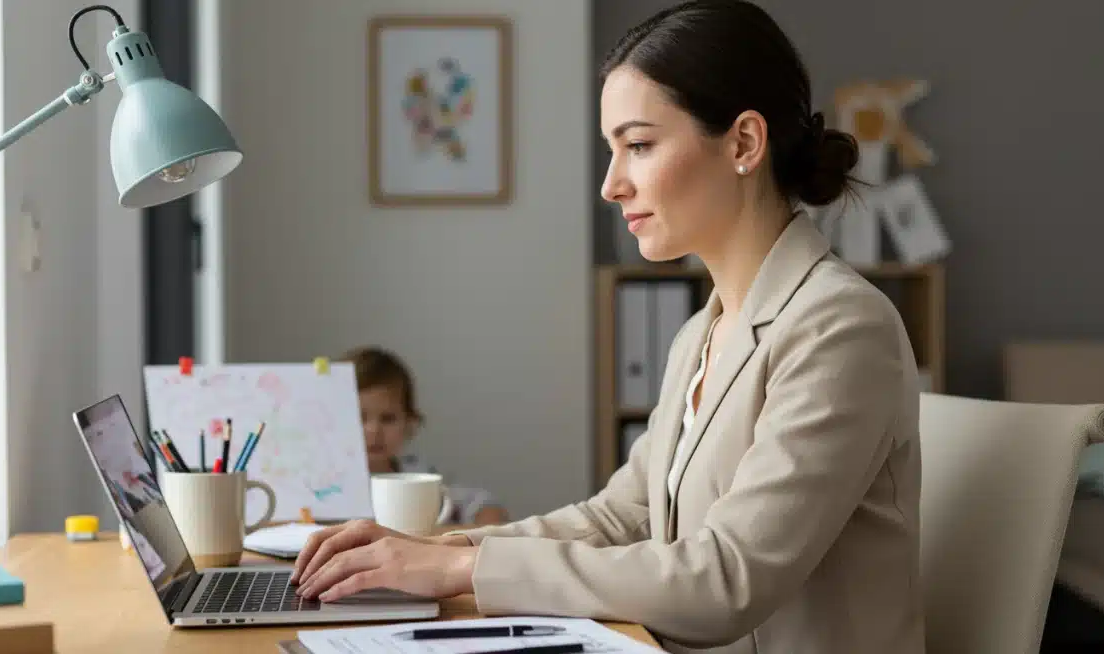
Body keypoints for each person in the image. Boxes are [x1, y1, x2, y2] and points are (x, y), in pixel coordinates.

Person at [291, 2, 925, 652]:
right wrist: (439, 550)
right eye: (612, 150)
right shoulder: (700, 335)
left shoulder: (839, 328)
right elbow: (624, 516)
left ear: (743, 143)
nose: (611, 185)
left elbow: (727, 580)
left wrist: (459, 571)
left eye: (639, 145)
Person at [337, 346, 510, 527]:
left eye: (388, 419)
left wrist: (487, 523)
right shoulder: (323, 485)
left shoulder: (418, 473)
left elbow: (480, 502)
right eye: (358, 418)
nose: (374, 430)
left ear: (409, 422)